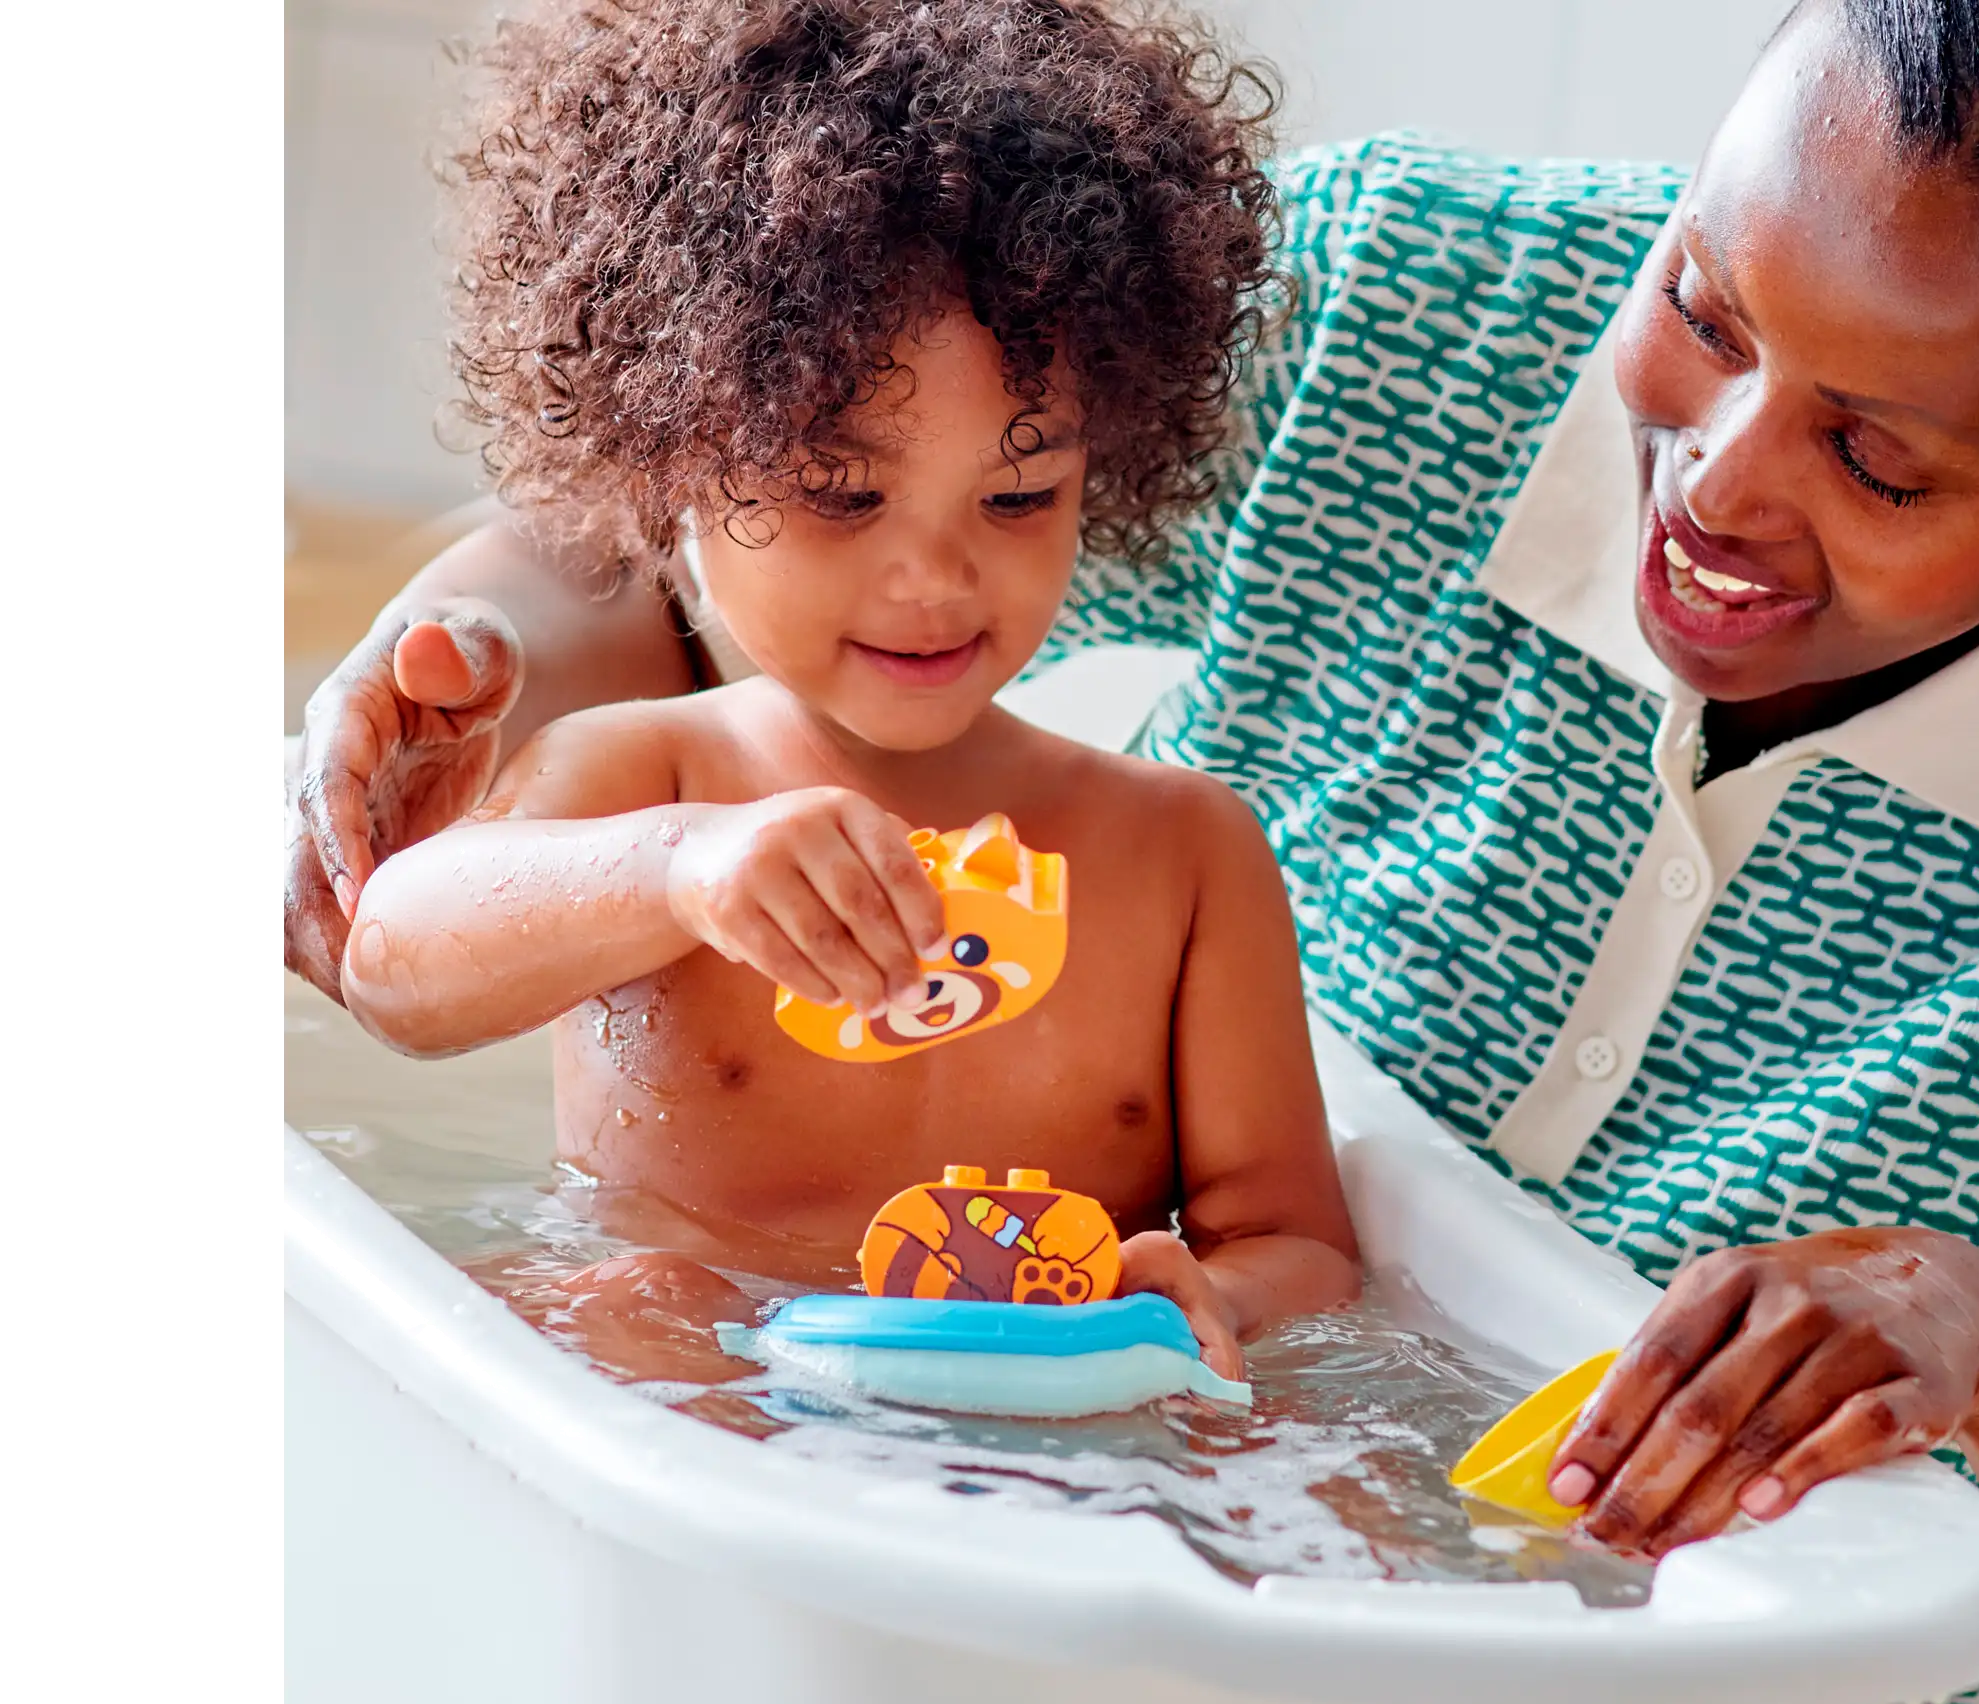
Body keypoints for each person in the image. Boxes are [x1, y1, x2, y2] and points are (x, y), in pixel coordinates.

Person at [282, 1, 1979, 1704]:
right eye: (1700, 306)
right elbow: (654, 565)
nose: (1721, 480)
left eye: (1882, 459)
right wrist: (459, 673)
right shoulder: (1401, 314)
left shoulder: (1180, 855)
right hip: (754, 1564)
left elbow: (1288, 1260)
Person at [331, 0, 1361, 1382]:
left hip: (1047, 1440)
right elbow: (393, 965)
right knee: (611, 1302)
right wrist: (676, 874)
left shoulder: (1187, 857)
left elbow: (1302, 1250)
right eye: (840, 494)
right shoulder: (653, 781)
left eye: (1018, 493)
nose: (934, 577)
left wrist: (1196, 1304)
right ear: (672, 466)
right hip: (699, 1411)